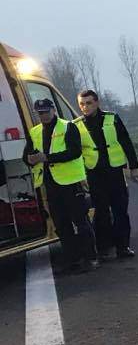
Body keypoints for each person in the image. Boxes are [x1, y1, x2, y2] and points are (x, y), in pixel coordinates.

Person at [24, 98, 98, 273]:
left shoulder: (67, 127)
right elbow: (27, 154)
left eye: (45, 112)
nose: (43, 116)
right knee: (61, 225)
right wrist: (29, 159)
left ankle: (91, 257)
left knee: (81, 222)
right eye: (40, 113)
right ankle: (73, 259)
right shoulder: (34, 132)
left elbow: (75, 151)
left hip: (71, 183)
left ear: (53, 110)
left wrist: (47, 158)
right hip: (50, 184)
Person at [75, 89, 138, 260]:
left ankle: (123, 247)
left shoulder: (112, 118)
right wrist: (81, 177)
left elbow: (126, 141)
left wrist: (134, 167)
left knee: (120, 211)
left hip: (114, 172)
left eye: (89, 103)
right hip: (94, 174)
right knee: (101, 213)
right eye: (82, 104)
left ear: (97, 103)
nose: (85, 107)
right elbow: (76, 154)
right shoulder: (76, 125)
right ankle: (103, 249)